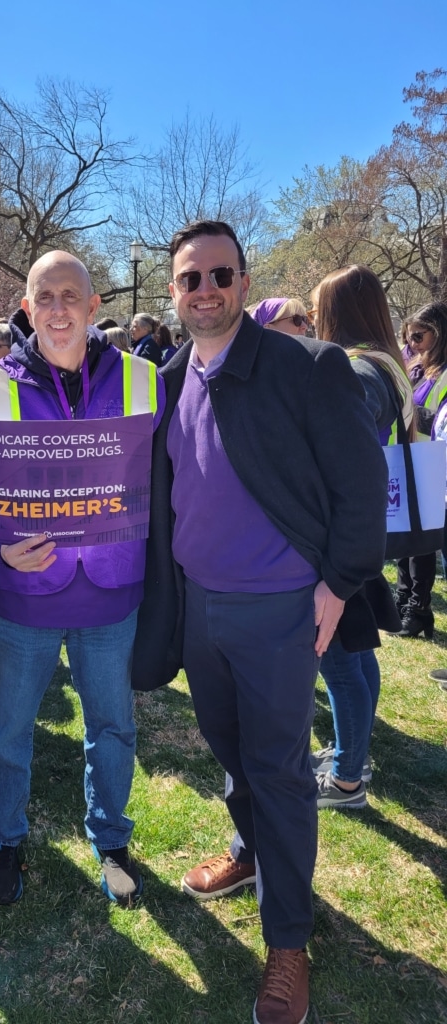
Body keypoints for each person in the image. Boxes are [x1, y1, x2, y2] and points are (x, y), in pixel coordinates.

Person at [132, 221, 387, 1024]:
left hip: (282, 611)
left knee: (278, 771)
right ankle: (250, 854)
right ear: (172, 293)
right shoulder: (168, 377)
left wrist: (339, 583)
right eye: (189, 279)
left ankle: (288, 943)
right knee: (231, 753)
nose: (204, 291)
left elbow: (361, 485)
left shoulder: (308, 367)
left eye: (219, 275)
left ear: (244, 282)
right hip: (200, 607)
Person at [0, 251, 165, 908]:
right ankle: (3, 837)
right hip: (24, 596)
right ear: (26, 308)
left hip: (111, 590)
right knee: (9, 730)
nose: (56, 308)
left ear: (92, 305)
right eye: (43, 296)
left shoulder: (143, 378)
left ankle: (110, 836)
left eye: (69, 295)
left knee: (113, 726)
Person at [310, 265, 413, 809]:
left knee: (337, 657)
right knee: (357, 647)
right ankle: (351, 753)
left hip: (342, 534)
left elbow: (347, 449)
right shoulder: (390, 365)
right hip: (367, 526)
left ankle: (348, 779)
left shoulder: (357, 370)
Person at [395, 301, 447, 638]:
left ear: (439, 335)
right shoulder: (412, 365)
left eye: (418, 336)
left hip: (431, 462)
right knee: (402, 534)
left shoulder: (442, 373)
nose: (411, 343)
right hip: (407, 456)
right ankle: (402, 598)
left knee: (422, 541)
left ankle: (418, 608)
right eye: (407, 336)